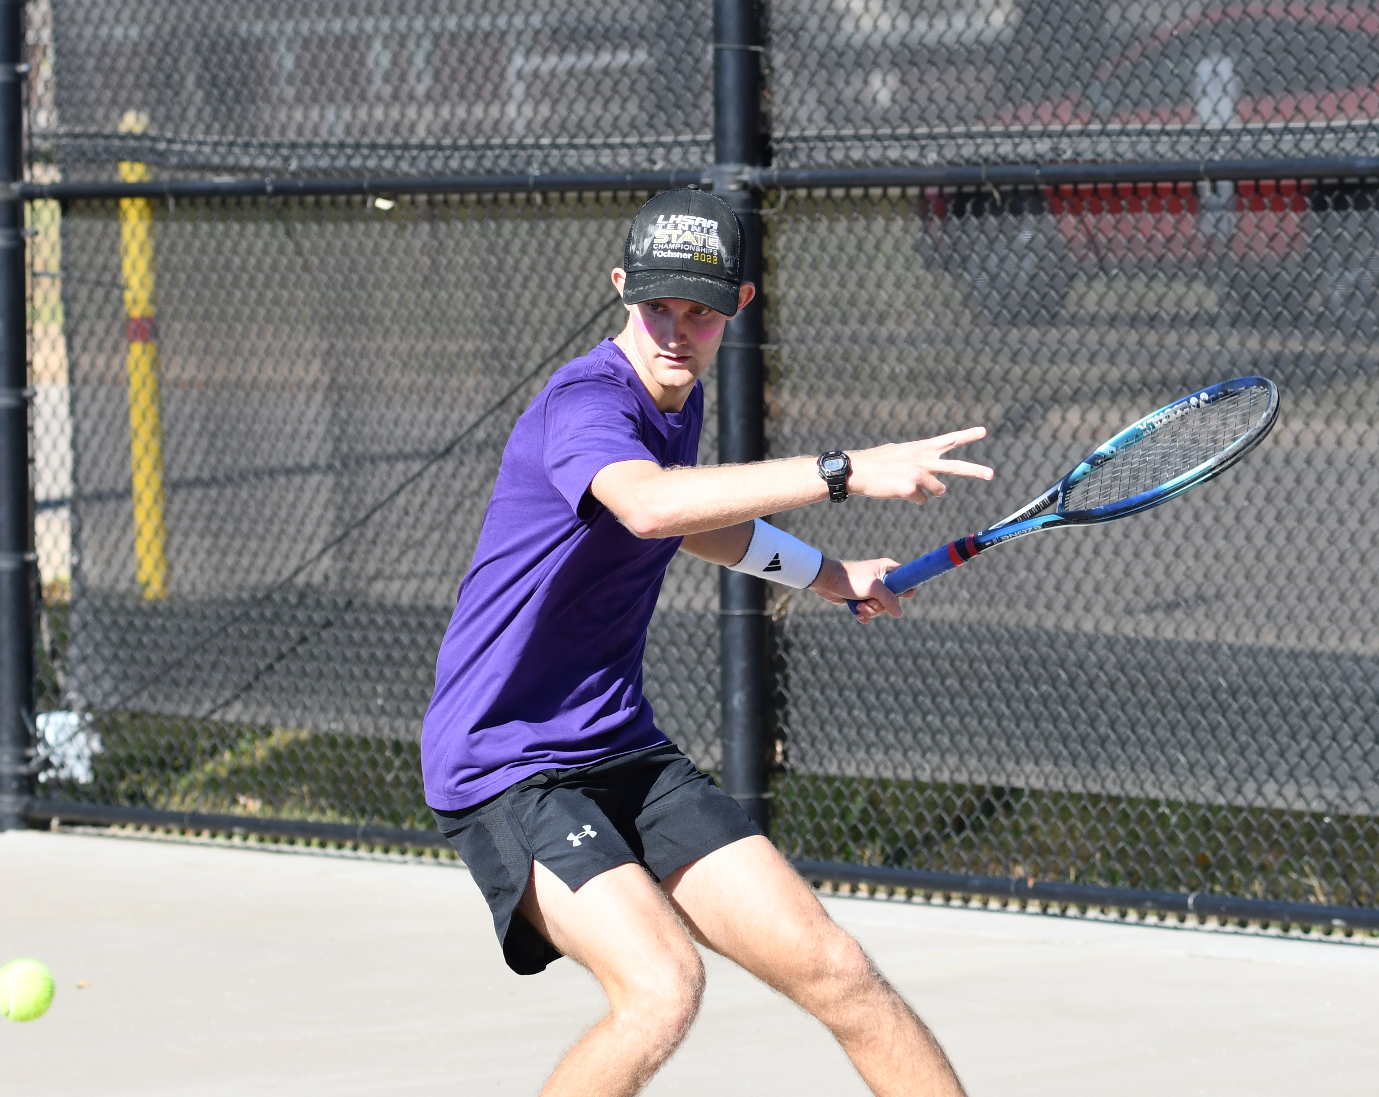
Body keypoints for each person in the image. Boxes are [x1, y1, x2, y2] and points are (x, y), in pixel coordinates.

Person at [422, 187, 987, 1097]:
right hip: (507, 761)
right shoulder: (586, 401)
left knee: (837, 969)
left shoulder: (671, 403)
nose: (675, 332)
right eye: (657, 308)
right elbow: (646, 505)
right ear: (620, 291)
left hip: (618, 746)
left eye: (700, 310)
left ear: (739, 308)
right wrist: (842, 472)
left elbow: (694, 523)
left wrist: (832, 575)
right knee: (661, 990)